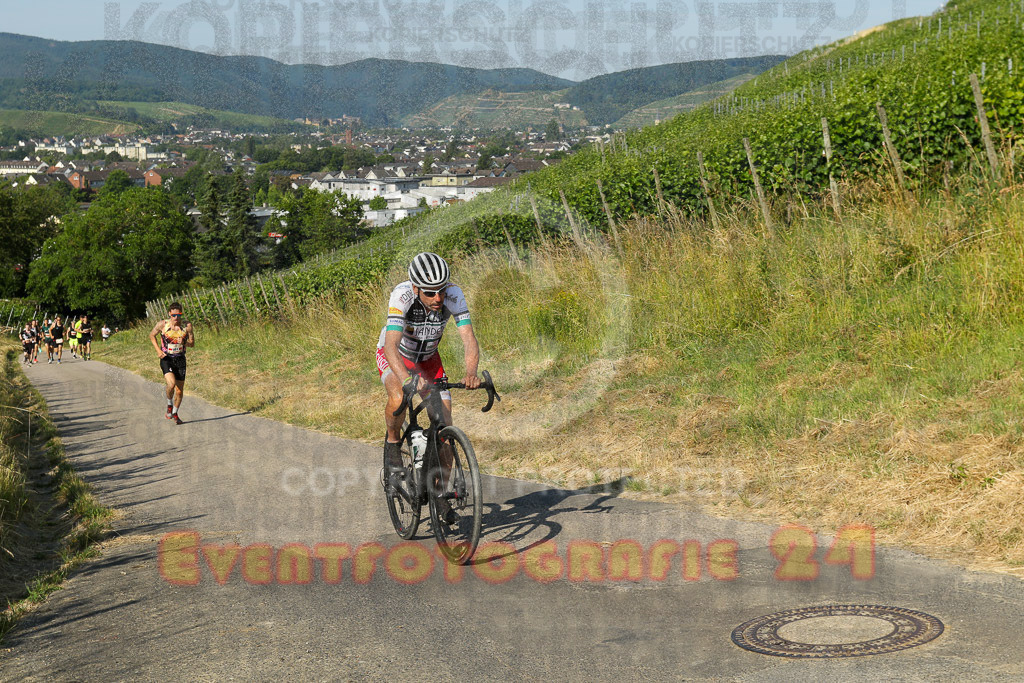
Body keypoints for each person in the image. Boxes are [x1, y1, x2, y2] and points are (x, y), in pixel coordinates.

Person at [376, 252, 480, 522]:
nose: (438, 298)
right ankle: (392, 442)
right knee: (399, 396)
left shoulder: (454, 294)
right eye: (430, 293)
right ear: (415, 288)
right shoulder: (401, 295)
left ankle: (440, 493)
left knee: (444, 423)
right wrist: (407, 377)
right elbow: (390, 345)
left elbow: (468, 337)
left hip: (429, 359)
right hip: (397, 355)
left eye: (441, 291)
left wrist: (471, 373)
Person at [149, 302, 194, 425]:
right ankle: (169, 404)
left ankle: (174, 413)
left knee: (179, 391)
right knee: (171, 384)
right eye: (174, 315)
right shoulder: (163, 324)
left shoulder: (187, 326)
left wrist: (185, 342)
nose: (176, 317)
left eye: (179, 315)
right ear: (170, 314)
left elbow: (192, 343)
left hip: (180, 359)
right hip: (166, 358)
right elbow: (152, 335)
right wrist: (158, 350)